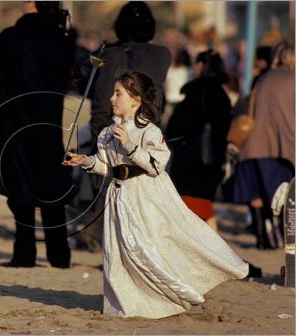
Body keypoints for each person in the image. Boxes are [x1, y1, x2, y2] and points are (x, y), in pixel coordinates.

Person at [63, 71, 248, 319]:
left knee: (150, 249)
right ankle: (129, 303)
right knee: (120, 254)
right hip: (119, 199)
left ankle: (171, 298)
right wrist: (84, 161)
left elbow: (157, 164)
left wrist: (130, 143)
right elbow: (105, 166)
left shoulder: (149, 131)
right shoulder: (107, 133)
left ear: (136, 99)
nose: (111, 98)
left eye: (118, 93)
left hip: (147, 199)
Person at [0, 1, 76, 268]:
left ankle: (24, 254)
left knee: (20, 190)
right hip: (49, 121)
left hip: (15, 123)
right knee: (51, 189)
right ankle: (59, 255)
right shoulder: (63, 38)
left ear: (33, 6)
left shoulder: (13, 36)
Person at [82, 1, 172, 250]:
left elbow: (82, 75)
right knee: (139, 188)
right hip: (146, 126)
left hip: (106, 124)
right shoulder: (163, 54)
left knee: (109, 184)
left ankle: (102, 236)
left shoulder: (108, 54)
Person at [231, 43, 295, 249]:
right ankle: (285, 238)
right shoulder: (292, 79)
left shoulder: (265, 78)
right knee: (285, 197)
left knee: (259, 192)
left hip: (256, 144)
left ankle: (262, 234)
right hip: (285, 145)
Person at [166, 49, 232, 231]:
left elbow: (174, 127)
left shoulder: (193, 93)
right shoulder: (222, 95)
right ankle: (211, 245)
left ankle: (214, 247)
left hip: (190, 158)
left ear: (202, 65)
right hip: (214, 158)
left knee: (192, 204)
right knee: (202, 203)